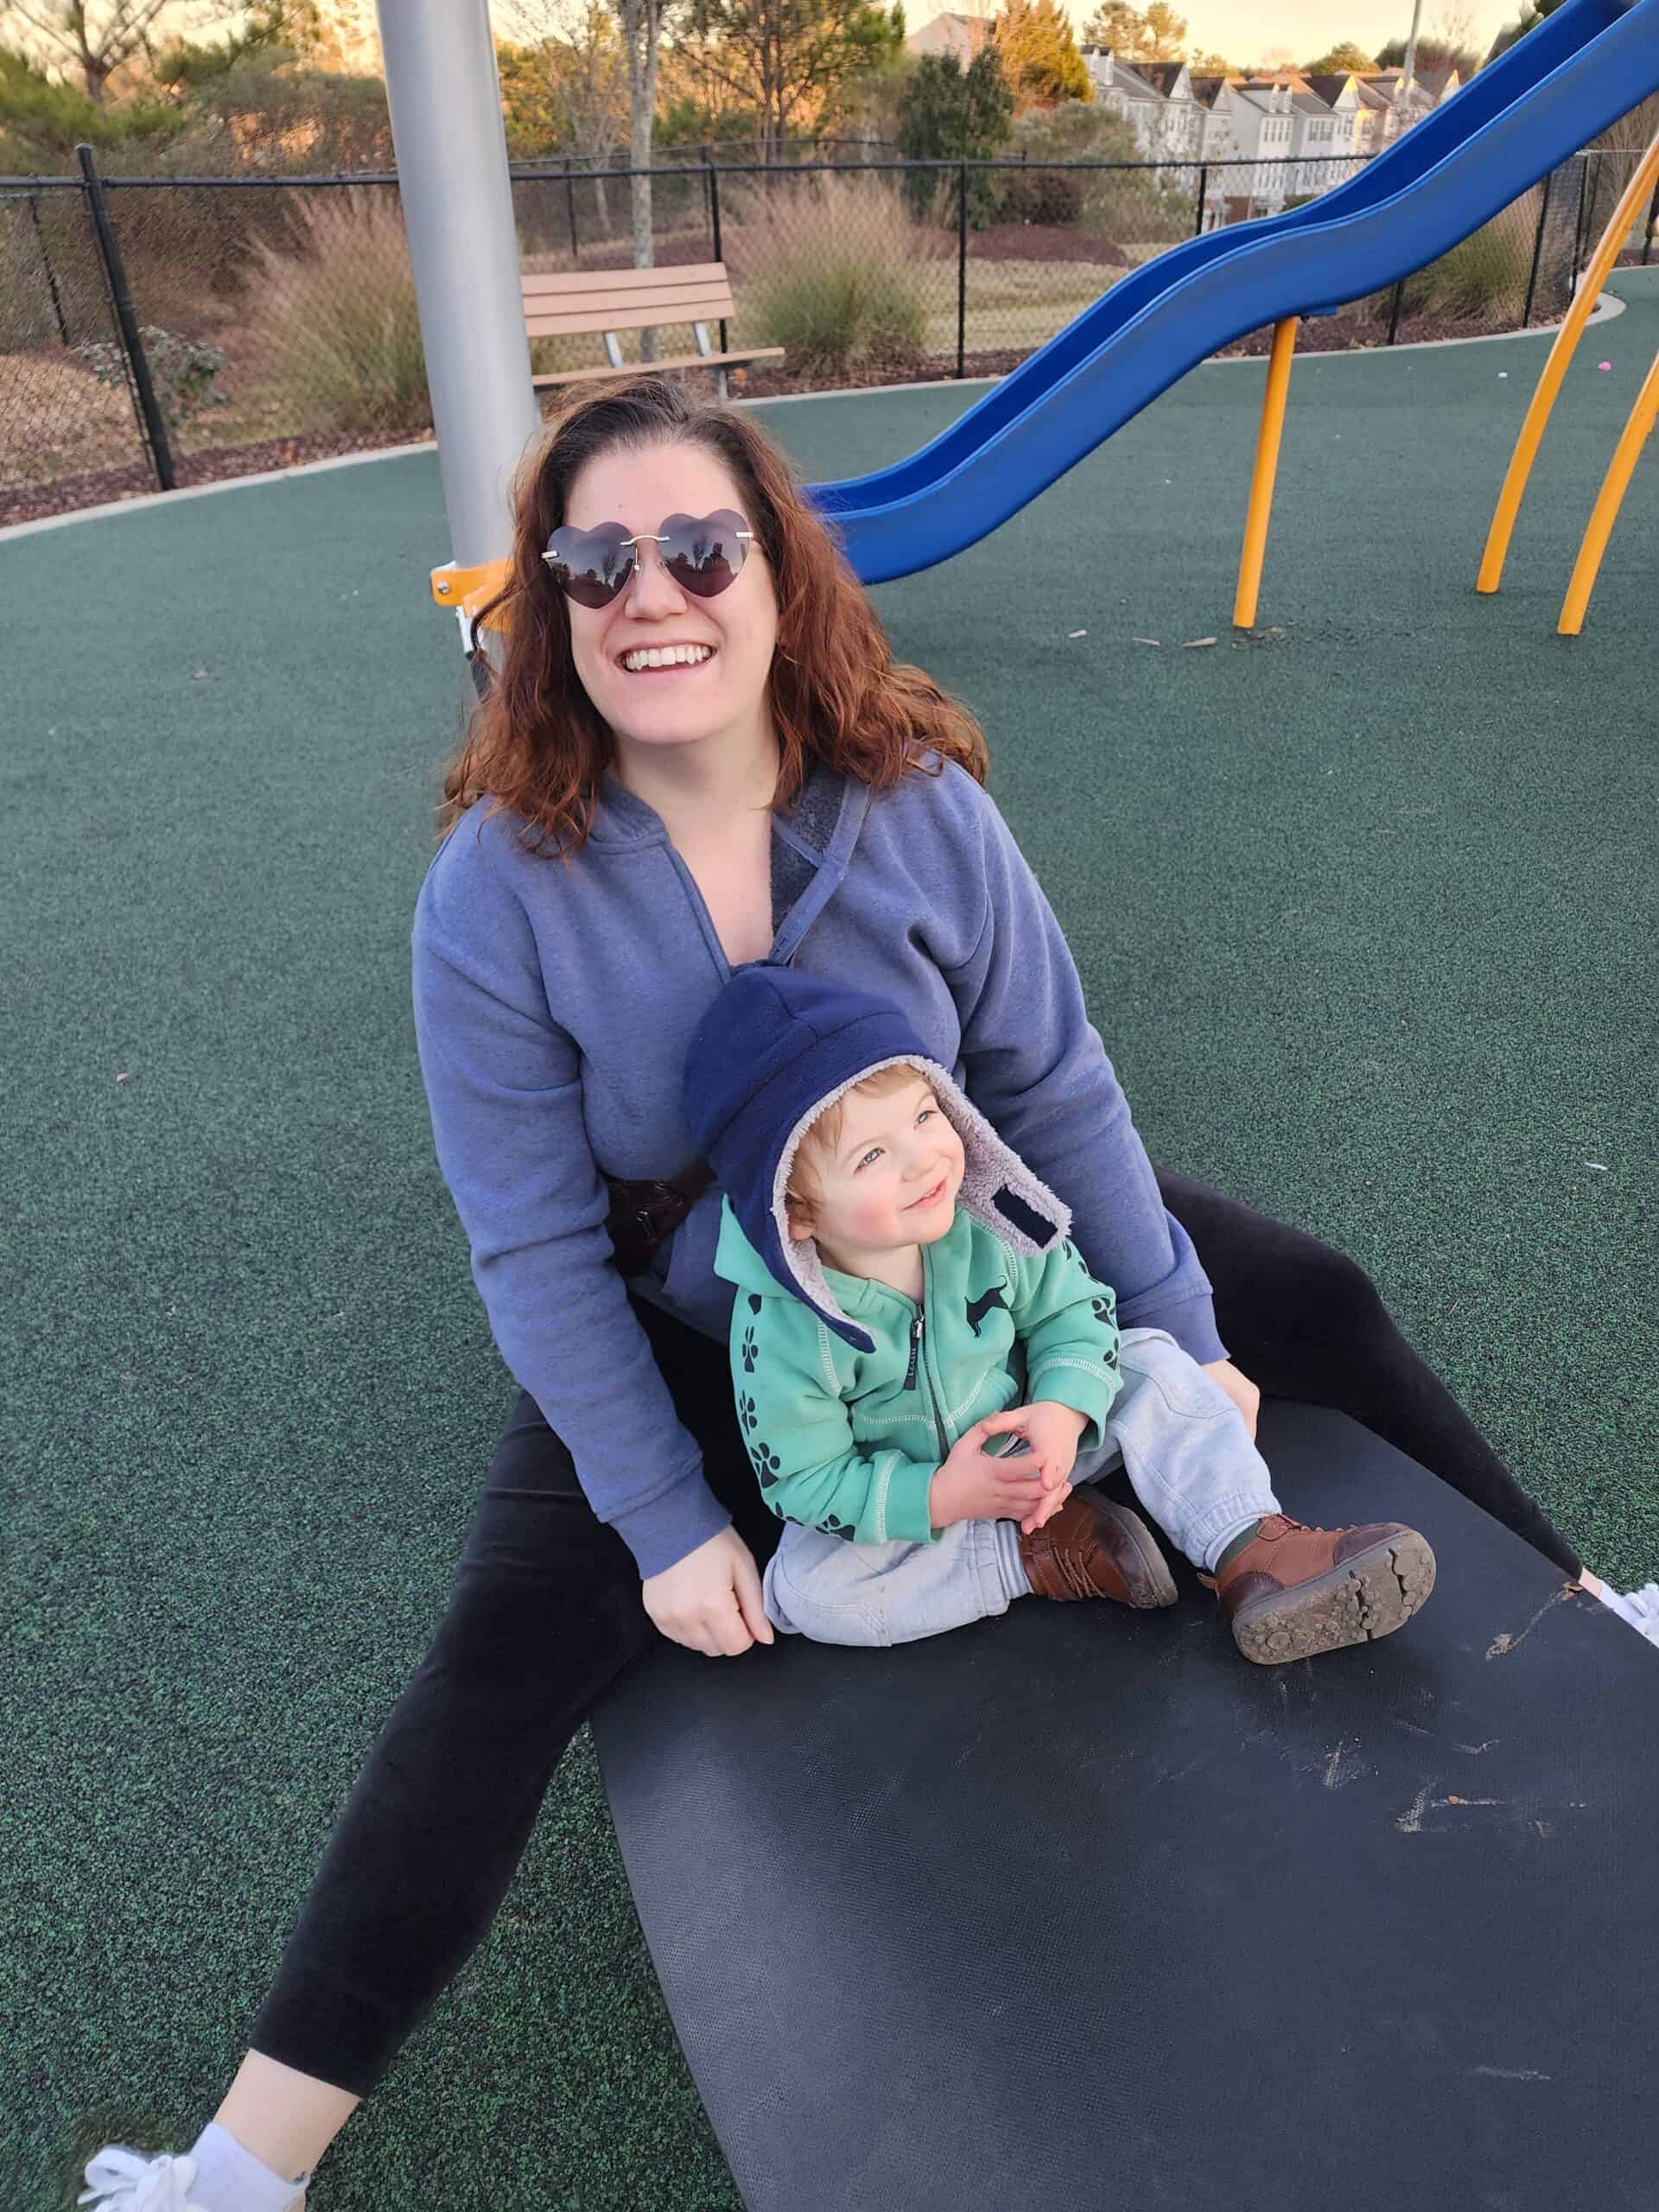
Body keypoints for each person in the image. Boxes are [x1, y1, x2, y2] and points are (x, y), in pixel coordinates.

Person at [80, 372, 1601, 2211]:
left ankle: (1599, 1608)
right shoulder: (500, 887)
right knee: (501, 1655)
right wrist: (656, 1509)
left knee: (1316, 1297)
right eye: (595, 558)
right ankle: (243, 2165)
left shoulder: (916, 803)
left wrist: (1181, 1321)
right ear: (550, 613)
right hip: (706, 1310)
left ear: (777, 575)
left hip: (963, 1239)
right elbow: (536, 1240)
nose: (654, 591)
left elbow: (1051, 1081)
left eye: (699, 546)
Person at [683, 963, 1438, 1661]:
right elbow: (806, 1481)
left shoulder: (987, 1214)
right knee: (808, 1591)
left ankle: (1250, 1543)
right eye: (871, 1158)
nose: (924, 1161)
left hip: (1040, 1438)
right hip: (928, 1506)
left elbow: (1077, 1312)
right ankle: (1032, 1555)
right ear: (796, 1212)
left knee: (1155, 1364)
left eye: (924, 1115)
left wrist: (1062, 1410)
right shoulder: (780, 1331)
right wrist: (942, 1495)